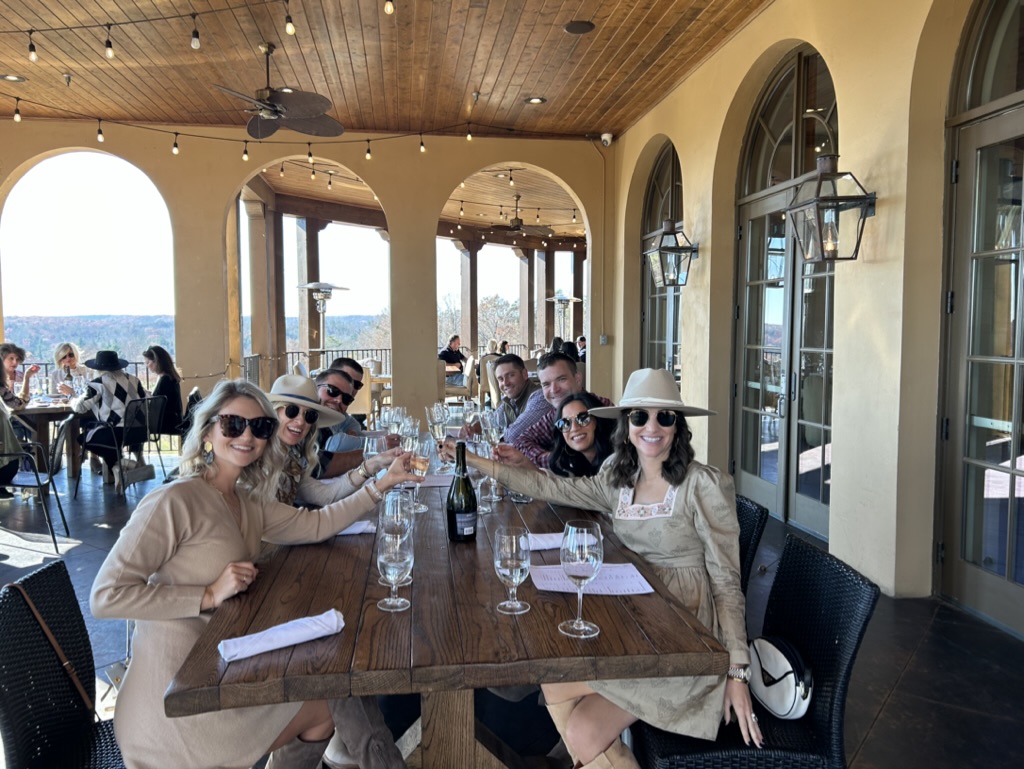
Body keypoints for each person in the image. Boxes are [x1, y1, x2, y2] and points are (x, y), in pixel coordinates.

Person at [446, 368, 762, 767]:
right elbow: (553, 487)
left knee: (581, 729)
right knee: (555, 680)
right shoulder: (618, 476)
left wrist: (736, 673)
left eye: (664, 417)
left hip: (685, 638)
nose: (651, 427)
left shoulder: (703, 485)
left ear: (678, 427)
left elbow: (727, 582)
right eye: (639, 416)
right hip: (631, 620)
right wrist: (476, 461)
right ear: (626, 424)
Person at [90, 379, 413, 769]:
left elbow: (317, 524)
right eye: (233, 425)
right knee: (330, 691)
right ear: (208, 430)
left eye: (259, 427)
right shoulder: (173, 500)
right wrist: (207, 594)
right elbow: (106, 596)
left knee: (327, 688)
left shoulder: (246, 500)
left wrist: (384, 484)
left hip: (221, 673)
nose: (247, 436)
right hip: (175, 706)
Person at [269, 374, 417, 508]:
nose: (301, 421)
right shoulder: (258, 456)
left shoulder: (291, 456)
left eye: (310, 416)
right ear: (272, 412)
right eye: (292, 411)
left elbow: (324, 496)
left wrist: (374, 463)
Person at [503, 352, 612, 470]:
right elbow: (521, 441)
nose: (554, 390)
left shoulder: (603, 409)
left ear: (578, 379)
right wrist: (553, 459)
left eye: (561, 379)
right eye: (546, 384)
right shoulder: (554, 414)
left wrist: (566, 461)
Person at [70, 349, 148, 491]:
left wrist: (71, 396)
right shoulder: (135, 380)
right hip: (139, 433)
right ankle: (119, 470)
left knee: (83, 438)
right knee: (103, 436)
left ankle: (125, 464)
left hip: (115, 433)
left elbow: (80, 407)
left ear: (98, 369)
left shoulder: (98, 383)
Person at [548, 393, 615, 478]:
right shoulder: (571, 465)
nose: (574, 428)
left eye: (583, 418)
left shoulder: (618, 460)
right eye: (565, 423)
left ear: (598, 420)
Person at [142, 345, 184, 435]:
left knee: (136, 422)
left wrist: (146, 394)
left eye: (148, 362)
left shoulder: (166, 380)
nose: (147, 366)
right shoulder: (168, 377)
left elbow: (158, 405)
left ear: (156, 361)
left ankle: (134, 447)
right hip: (171, 420)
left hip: (166, 422)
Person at [493, 353, 541, 427]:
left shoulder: (538, 397)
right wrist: (474, 428)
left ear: (525, 374)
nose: (505, 383)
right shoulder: (508, 401)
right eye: (501, 379)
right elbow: (492, 423)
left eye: (510, 375)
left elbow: (516, 433)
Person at [0, 342, 39, 408]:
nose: (15, 362)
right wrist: (26, 377)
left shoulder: (22, 375)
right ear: (2, 360)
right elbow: (18, 404)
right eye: (11, 358)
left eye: (17, 359)